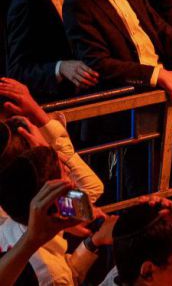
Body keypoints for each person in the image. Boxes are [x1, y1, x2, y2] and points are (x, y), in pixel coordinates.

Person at [0, 79, 112, 285]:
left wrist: (91, 243)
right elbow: (92, 191)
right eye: (66, 174)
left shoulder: (13, 218)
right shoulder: (52, 275)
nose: (70, 172)